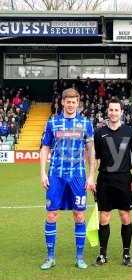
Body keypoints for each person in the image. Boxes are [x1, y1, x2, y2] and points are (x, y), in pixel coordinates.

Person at [39, 88, 95, 270]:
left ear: (78, 103)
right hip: (56, 175)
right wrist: (42, 172)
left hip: (78, 176)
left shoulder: (86, 123)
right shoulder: (53, 122)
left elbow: (90, 151)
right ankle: (50, 257)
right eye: (68, 101)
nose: (71, 104)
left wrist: (92, 175)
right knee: (51, 214)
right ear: (62, 102)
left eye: (74, 101)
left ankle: (79, 257)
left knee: (79, 215)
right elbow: (45, 148)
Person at [93, 99, 132, 267]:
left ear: (122, 112)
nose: (113, 112)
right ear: (108, 111)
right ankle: (102, 253)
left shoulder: (129, 132)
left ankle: (126, 253)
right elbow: (96, 158)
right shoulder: (99, 133)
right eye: (111, 109)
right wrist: (92, 179)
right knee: (104, 216)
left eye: (116, 110)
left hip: (123, 179)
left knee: (125, 215)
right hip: (105, 179)